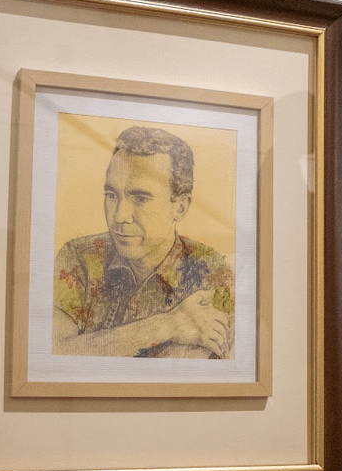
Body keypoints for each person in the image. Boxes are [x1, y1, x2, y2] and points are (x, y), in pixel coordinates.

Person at [53, 125, 234, 360]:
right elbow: (50, 355)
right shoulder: (79, 258)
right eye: (111, 195)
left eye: (140, 198)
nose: (120, 216)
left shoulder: (213, 272)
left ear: (179, 207)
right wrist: (169, 325)